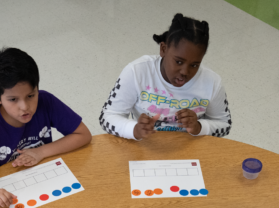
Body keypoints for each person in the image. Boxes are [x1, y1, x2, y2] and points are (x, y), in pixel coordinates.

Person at [0, 47, 92, 208]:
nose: (24, 107)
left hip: (43, 179)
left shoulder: (46, 101)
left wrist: (41, 152)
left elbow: (83, 134)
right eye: (13, 99)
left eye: (31, 95)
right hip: (8, 190)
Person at [99, 13, 232, 141]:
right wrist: (134, 129)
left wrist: (199, 127)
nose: (185, 71)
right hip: (145, 144)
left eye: (195, 65)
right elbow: (107, 117)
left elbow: (224, 125)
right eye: (178, 62)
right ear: (163, 49)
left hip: (190, 149)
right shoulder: (137, 72)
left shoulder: (212, 82)